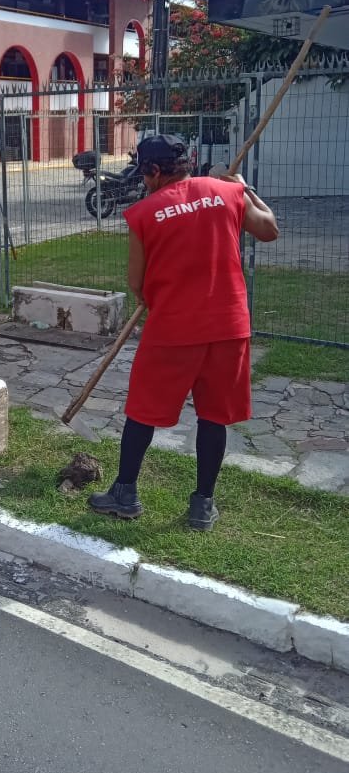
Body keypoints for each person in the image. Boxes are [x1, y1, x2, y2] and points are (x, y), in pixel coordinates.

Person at [89, 135, 279, 531]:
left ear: (154, 171)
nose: (143, 181)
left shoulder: (144, 213)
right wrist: (245, 188)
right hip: (228, 327)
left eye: (144, 172)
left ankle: (125, 492)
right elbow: (269, 230)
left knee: (142, 411)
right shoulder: (227, 192)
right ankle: (202, 505)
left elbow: (137, 284)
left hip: (172, 329)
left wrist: (156, 293)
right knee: (214, 416)